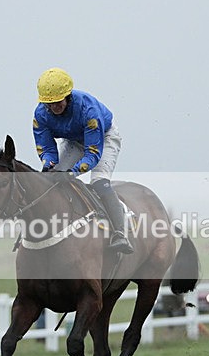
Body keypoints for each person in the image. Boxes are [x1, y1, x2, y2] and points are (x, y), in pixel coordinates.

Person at [32, 67, 133, 254]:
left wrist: (71, 173)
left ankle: (120, 232)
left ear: (68, 96)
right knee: (51, 180)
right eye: (49, 104)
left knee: (100, 183)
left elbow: (93, 153)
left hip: (103, 138)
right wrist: (49, 165)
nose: (54, 108)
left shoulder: (88, 110)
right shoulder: (40, 115)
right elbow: (46, 148)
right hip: (74, 141)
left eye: (58, 102)